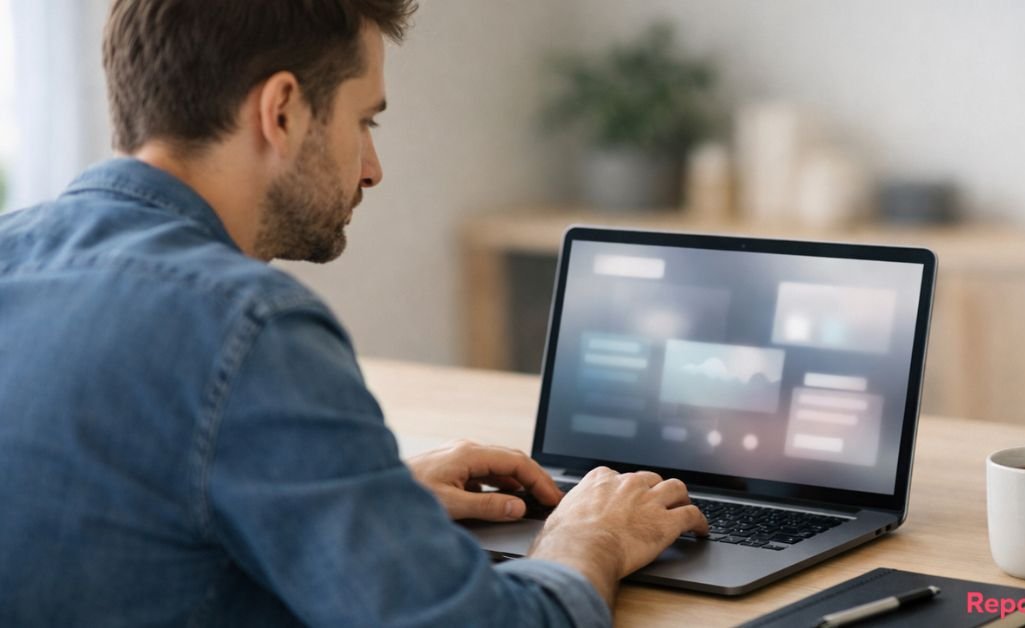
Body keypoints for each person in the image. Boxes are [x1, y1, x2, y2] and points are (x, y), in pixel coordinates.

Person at [0, 1, 708, 626]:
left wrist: (372, 496)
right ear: (281, 111)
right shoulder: (249, 325)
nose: (372, 167)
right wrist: (590, 538)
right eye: (363, 120)